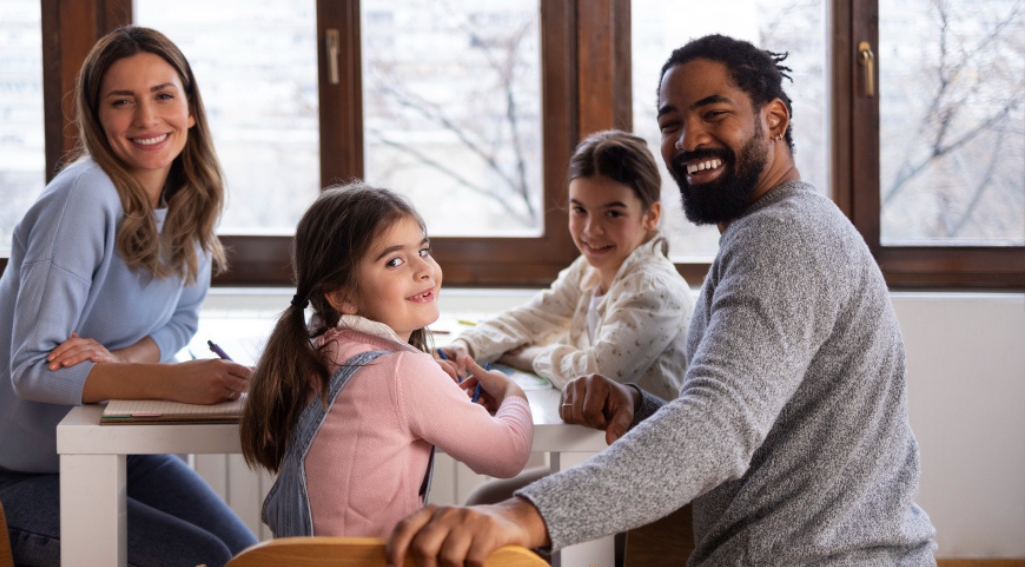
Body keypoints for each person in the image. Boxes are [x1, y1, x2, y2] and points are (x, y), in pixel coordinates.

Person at [385, 34, 937, 567]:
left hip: (820, 554)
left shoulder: (781, 238)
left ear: (774, 119)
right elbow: (756, 415)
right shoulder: (769, 229)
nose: (689, 139)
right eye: (671, 124)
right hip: (793, 537)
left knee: (502, 520)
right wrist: (639, 404)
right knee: (494, 507)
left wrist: (522, 516)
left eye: (714, 114)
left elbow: (719, 427)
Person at [0, 27, 257, 567]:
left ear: (191, 109)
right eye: (121, 102)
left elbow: (180, 320)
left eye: (163, 96)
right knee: (200, 558)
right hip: (2, 478)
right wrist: (169, 381)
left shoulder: (189, 196)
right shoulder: (83, 197)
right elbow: (34, 371)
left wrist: (123, 360)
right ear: (97, 118)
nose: (147, 119)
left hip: (110, 452)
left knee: (245, 557)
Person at [240, 184, 534, 539]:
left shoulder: (315, 349)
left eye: (424, 250)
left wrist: (427, 380)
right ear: (342, 296)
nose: (424, 270)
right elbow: (507, 456)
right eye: (395, 261)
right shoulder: (402, 373)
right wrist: (513, 394)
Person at [440, 130, 693, 400]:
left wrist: (531, 356)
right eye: (579, 210)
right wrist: (466, 345)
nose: (591, 230)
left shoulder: (654, 291)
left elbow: (598, 375)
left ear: (650, 217)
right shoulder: (589, 269)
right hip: (598, 435)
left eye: (613, 213)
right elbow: (532, 318)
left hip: (652, 437)